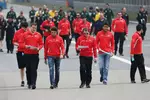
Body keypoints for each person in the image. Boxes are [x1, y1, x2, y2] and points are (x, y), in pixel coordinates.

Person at [22, 23, 43, 89]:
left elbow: (41, 44)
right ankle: (29, 82)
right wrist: (25, 46)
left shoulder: (38, 34)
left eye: (35, 28)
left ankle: (34, 83)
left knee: (34, 69)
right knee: (28, 69)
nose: (34, 29)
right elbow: (21, 43)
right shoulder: (25, 34)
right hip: (27, 54)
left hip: (35, 54)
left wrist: (38, 48)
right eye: (33, 28)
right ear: (30, 27)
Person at [13, 22, 28, 87]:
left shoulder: (28, 32)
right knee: (21, 67)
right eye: (23, 27)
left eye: (26, 27)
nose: (24, 29)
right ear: (21, 27)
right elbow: (14, 41)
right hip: (20, 51)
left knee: (28, 67)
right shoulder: (17, 32)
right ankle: (22, 80)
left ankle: (29, 80)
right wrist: (19, 45)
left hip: (27, 51)